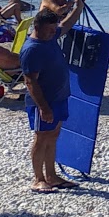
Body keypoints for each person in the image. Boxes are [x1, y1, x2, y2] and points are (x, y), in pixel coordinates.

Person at [21, 10, 75, 193]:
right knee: (41, 137)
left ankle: (51, 176)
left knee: (53, 136)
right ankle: (38, 179)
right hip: (43, 102)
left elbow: (66, 25)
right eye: (50, 30)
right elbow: (30, 82)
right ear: (37, 28)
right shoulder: (32, 49)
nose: (54, 33)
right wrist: (43, 108)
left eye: (54, 29)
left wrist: (78, 7)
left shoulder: (50, 37)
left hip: (60, 97)